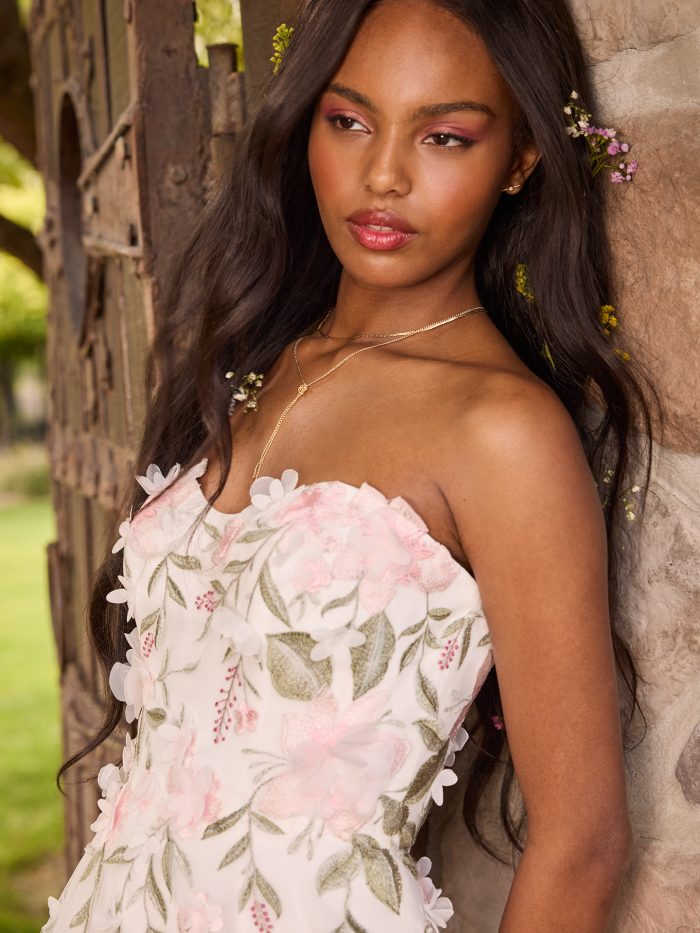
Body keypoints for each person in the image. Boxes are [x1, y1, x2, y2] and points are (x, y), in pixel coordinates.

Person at [44, 0, 663, 930]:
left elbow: (583, 842)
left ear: (521, 159)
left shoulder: (503, 432)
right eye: (348, 121)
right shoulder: (259, 360)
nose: (382, 175)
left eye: (446, 136)